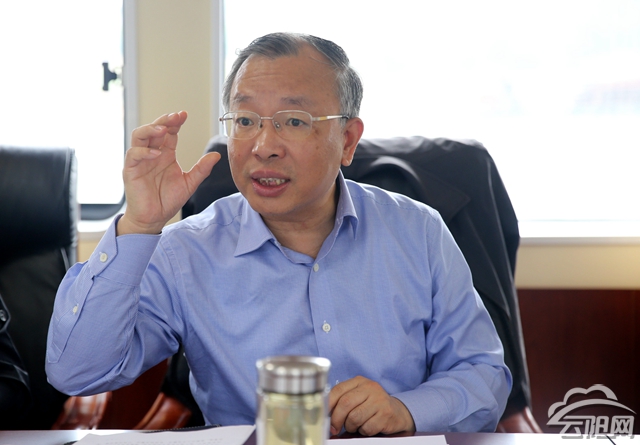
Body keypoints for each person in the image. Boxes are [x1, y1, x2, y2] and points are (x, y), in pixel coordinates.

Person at [46, 32, 511, 434]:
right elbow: (77, 373)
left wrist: (406, 410)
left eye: (293, 122)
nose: (264, 146)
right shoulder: (185, 251)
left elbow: (483, 374)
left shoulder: (418, 231)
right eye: (245, 121)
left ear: (348, 140)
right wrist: (140, 225)